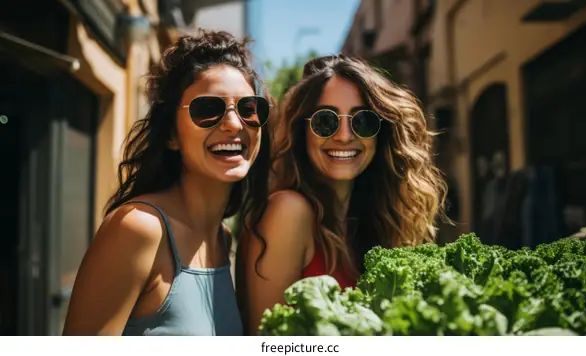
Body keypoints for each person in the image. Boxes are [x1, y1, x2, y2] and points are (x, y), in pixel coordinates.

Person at [62, 29, 272, 336]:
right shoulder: (139, 229)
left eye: (248, 109)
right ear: (171, 135)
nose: (233, 123)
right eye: (208, 109)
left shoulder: (223, 239)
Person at [236, 54, 449, 334]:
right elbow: (268, 343)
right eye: (326, 121)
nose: (345, 136)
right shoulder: (288, 212)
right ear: (304, 130)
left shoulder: (365, 223)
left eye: (362, 121)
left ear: (381, 132)